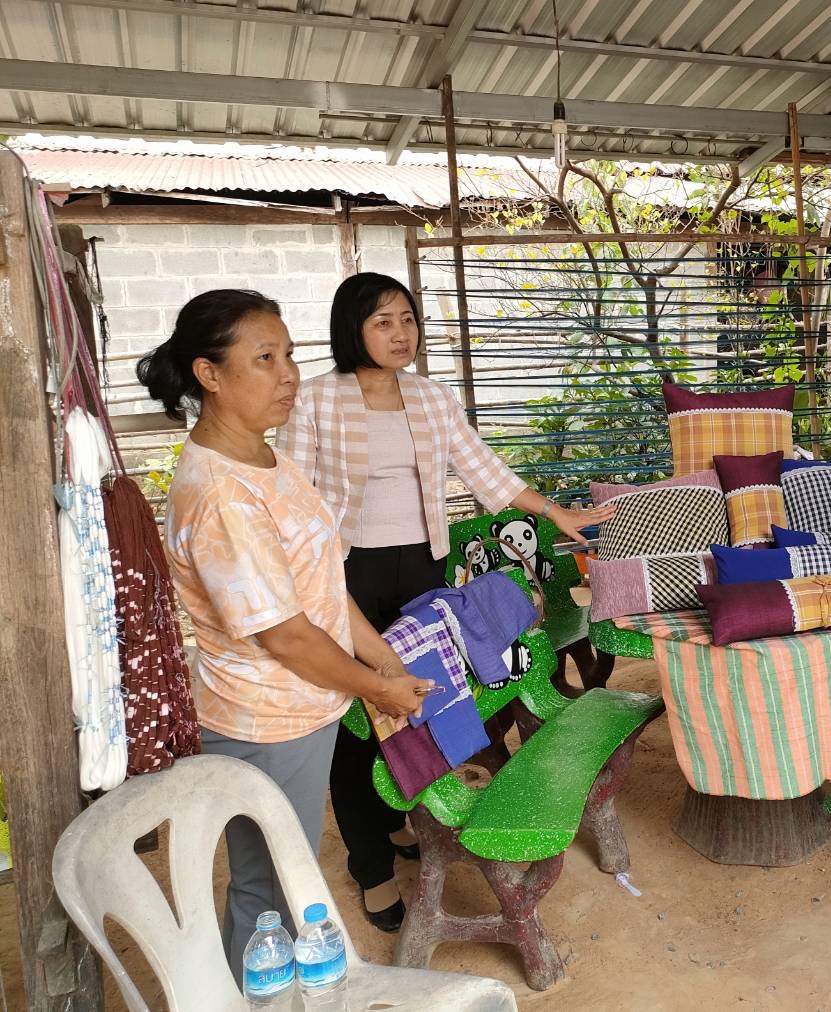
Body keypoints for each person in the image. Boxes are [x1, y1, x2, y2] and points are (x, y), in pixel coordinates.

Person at [275, 271, 613, 930]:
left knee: (424, 699)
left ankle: (400, 819)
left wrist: (552, 511)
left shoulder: (431, 398)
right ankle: (370, 864)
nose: (400, 334)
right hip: (347, 574)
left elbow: (483, 468)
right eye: (382, 322)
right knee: (361, 711)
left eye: (406, 319)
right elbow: (292, 497)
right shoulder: (316, 400)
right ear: (352, 328)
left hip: (423, 568)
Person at [138, 289, 433, 974]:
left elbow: (322, 584)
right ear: (209, 375)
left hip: (302, 708)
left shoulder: (265, 459)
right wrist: (377, 688)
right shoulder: (220, 494)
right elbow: (285, 636)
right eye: (264, 358)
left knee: (281, 871)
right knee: (267, 886)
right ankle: (253, 993)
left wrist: (382, 659)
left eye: (290, 355)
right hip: (264, 721)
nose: (288, 374)